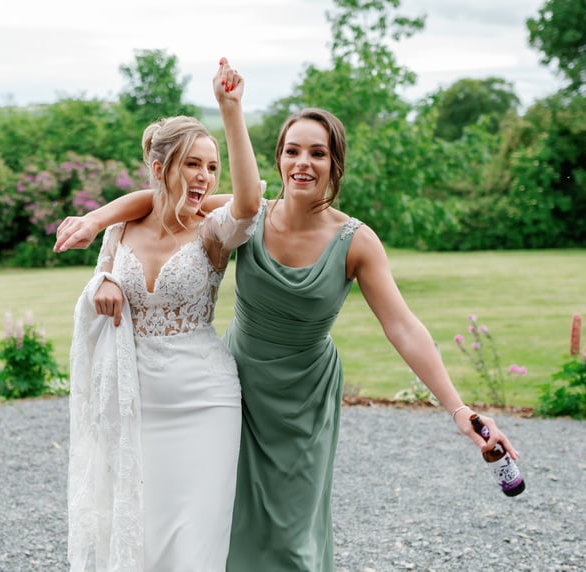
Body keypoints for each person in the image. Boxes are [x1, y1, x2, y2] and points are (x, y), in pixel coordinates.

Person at [57, 107, 520, 570]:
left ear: (335, 164)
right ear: (278, 159)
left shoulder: (356, 241)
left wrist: (458, 408)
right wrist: (95, 226)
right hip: (237, 386)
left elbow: (403, 326)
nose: (303, 163)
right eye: (292, 151)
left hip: (304, 397)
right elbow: (159, 197)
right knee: (228, 529)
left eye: (318, 153)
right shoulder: (251, 214)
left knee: (291, 539)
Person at [66, 58, 261, 572]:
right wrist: (104, 282)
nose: (205, 176)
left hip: (206, 402)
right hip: (135, 405)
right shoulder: (120, 230)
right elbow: (98, 286)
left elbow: (250, 201)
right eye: (193, 164)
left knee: (194, 546)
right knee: (141, 538)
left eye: (211, 167)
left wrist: (230, 109)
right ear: (159, 168)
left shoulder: (212, 231)